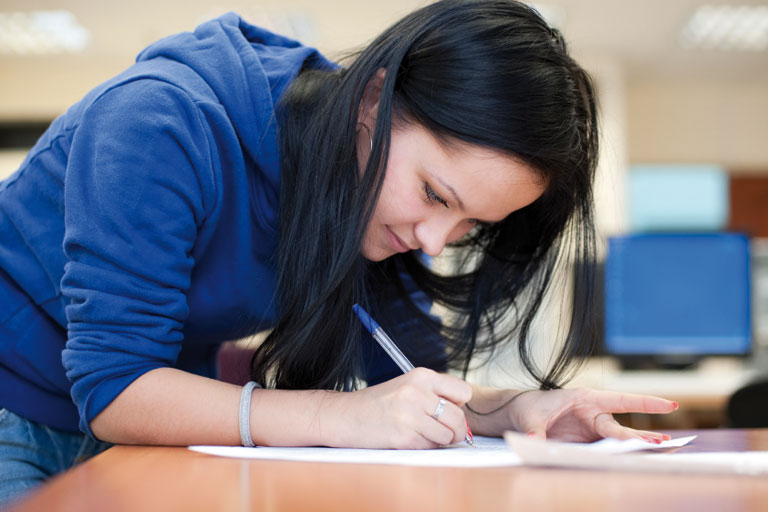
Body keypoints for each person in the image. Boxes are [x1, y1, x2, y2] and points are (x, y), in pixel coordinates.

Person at [0, 0, 678, 505]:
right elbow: (115, 386)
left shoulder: (368, 193)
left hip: (150, 429)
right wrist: (341, 415)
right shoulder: (161, 122)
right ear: (374, 100)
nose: (435, 240)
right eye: (436, 196)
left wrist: (519, 412)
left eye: (473, 223)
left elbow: (413, 379)